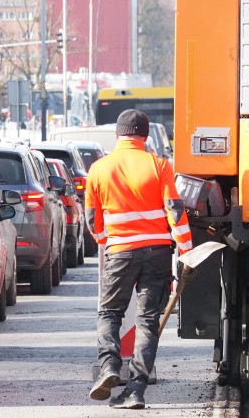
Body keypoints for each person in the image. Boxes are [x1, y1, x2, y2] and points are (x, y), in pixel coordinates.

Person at [85, 109, 193, 409]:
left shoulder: (99, 169)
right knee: (147, 320)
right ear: (145, 136)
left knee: (109, 314)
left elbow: (92, 220)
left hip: (120, 252)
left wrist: (109, 244)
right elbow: (175, 211)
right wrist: (186, 250)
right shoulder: (159, 165)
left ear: (118, 135)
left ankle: (109, 367)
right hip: (157, 253)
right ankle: (135, 392)